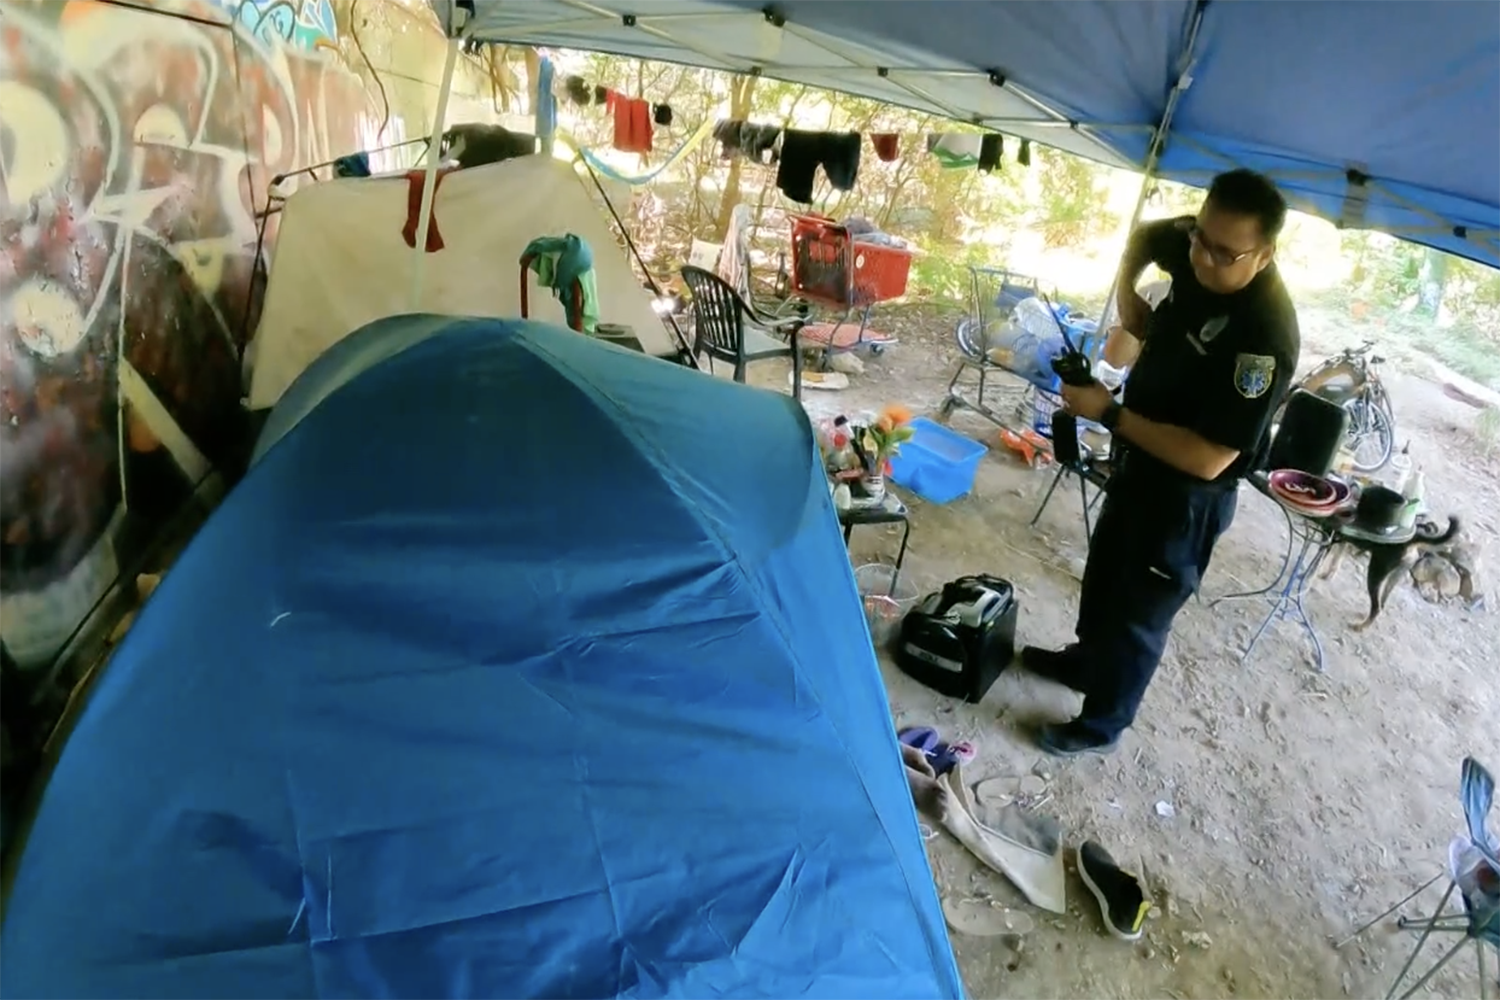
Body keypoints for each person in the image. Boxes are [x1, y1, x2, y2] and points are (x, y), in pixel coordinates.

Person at [1021, 169, 1301, 757]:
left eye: (1223, 254)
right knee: (1104, 579)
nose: (1201, 258)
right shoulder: (1198, 240)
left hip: (1184, 499)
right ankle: (1084, 663)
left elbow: (1207, 458)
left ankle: (1101, 723)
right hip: (1138, 461)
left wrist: (1109, 414)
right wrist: (1128, 298)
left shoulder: (1264, 338)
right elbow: (1146, 236)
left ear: (1265, 252)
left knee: (1138, 614)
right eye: (1199, 239)